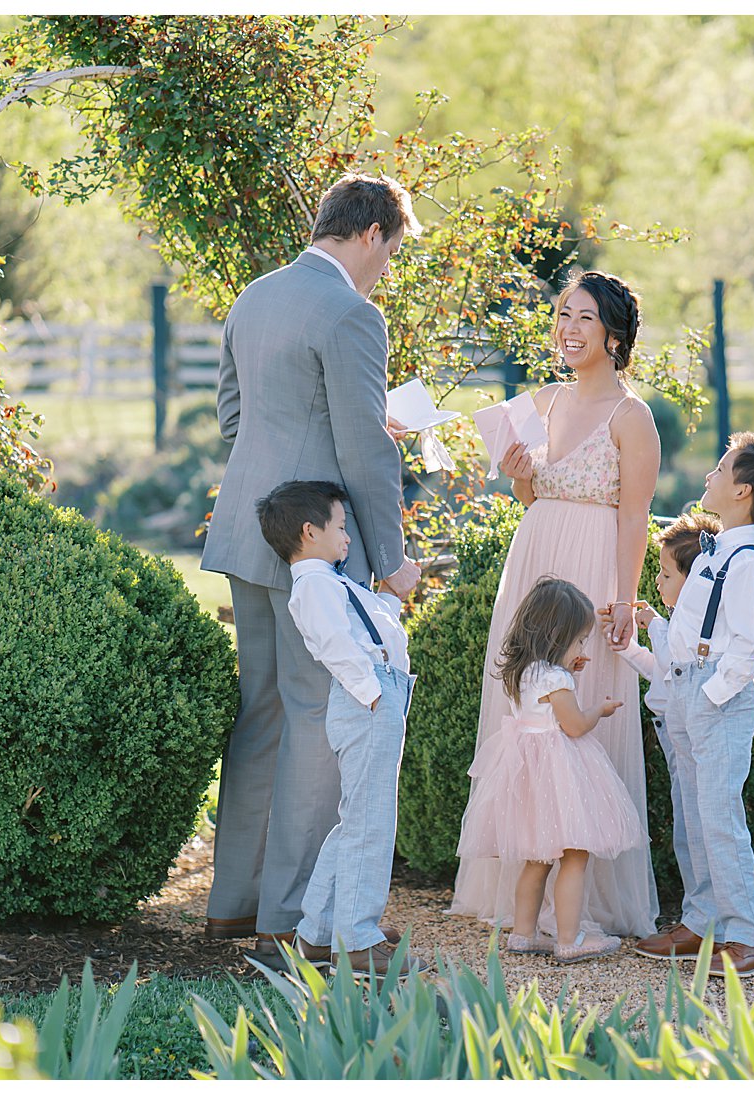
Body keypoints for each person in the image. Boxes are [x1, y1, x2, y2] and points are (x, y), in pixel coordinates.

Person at [201, 173, 423, 965]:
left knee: (260, 711)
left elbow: (236, 419)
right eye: (391, 253)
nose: (386, 269)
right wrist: (391, 562)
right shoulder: (352, 314)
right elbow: (366, 450)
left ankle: (232, 903)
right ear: (370, 234)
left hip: (243, 531)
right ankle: (293, 913)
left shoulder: (255, 295)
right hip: (309, 545)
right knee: (315, 717)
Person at [450, 270, 662, 939]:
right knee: (530, 712)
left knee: (585, 705)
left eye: (585, 319)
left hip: (596, 566)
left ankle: (585, 898)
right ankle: (522, 897)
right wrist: (518, 479)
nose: (568, 330)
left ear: (614, 335)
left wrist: (625, 597)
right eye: (563, 315)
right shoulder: (541, 401)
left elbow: (635, 518)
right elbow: (533, 496)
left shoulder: (634, 417)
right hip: (536, 562)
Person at [628, 432, 754, 977]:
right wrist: (654, 629)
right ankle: (700, 921)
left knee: (720, 819)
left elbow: (751, 645)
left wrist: (708, 695)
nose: (709, 475)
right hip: (686, 689)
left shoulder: (748, 562)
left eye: (721, 468)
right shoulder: (712, 551)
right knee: (691, 816)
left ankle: (749, 938)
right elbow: (692, 631)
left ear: (742, 491)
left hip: (717, 701)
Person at [252, 480, 421, 979]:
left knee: (357, 820)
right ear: (310, 531)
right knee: (371, 824)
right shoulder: (314, 586)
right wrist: (370, 692)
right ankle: (357, 940)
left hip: (377, 694)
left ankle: (317, 933)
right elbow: (334, 643)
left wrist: (389, 597)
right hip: (367, 699)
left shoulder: (334, 582)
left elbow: (369, 627)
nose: (348, 537)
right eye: (341, 526)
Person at [457, 577, 645, 963]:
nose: (581, 650)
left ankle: (523, 934)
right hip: (561, 773)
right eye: (578, 642)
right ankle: (569, 940)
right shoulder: (556, 678)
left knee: (538, 859)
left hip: (529, 775)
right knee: (575, 856)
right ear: (558, 637)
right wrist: (600, 709)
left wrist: (567, 670)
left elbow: (540, 710)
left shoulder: (525, 672)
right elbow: (574, 725)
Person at [599, 511, 723, 959]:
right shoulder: (674, 626)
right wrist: (628, 648)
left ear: (693, 581)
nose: (658, 581)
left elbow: (672, 659)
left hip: (691, 733)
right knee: (687, 829)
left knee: (697, 829)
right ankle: (697, 917)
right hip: (674, 733)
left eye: (666, 574)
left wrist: (651, 625)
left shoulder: (683, 628)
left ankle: (703, 921)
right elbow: (661, 673)